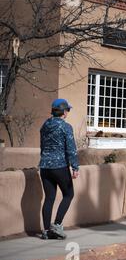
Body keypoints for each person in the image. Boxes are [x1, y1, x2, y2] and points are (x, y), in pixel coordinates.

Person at [39, 99, 79, 240]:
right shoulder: (66, 127)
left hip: (44, 166)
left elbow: (42, 146)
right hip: (60, 166)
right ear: (63, 111)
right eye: (67, 109)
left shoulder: (45, 126)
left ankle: (45, 230)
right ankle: (57, 225)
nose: (68, 112)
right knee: (69, 194)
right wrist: (75, 166)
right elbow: (71, 149)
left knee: (49, 198)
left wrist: (44, 160)